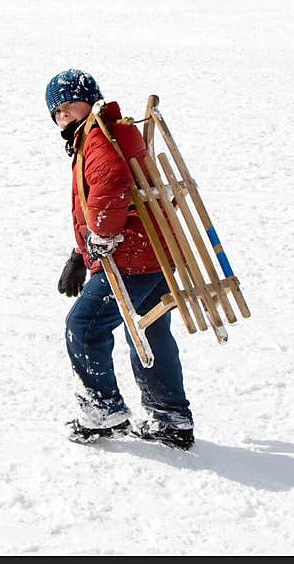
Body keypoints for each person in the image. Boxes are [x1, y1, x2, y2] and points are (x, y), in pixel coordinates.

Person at [45, 69, 194, 450]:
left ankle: (103, 411)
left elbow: (112, 182)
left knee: (84, 326)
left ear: (89, 99)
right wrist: (81, 253)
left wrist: (101, 237)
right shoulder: (108, 130)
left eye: (68, 105)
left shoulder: (97, 138)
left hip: (132, 256)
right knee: (148, 330)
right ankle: (169, 417)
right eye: (56, 111)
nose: (63, 115)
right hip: (156, 251)